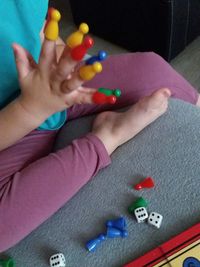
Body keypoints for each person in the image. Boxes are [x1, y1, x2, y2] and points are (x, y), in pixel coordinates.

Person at [0, 1, 199, 252]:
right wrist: (31, 108)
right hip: (10, 132)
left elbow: (36, 28)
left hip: (50, 87)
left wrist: (61, 57)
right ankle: (108, 136)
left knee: (152, 70)